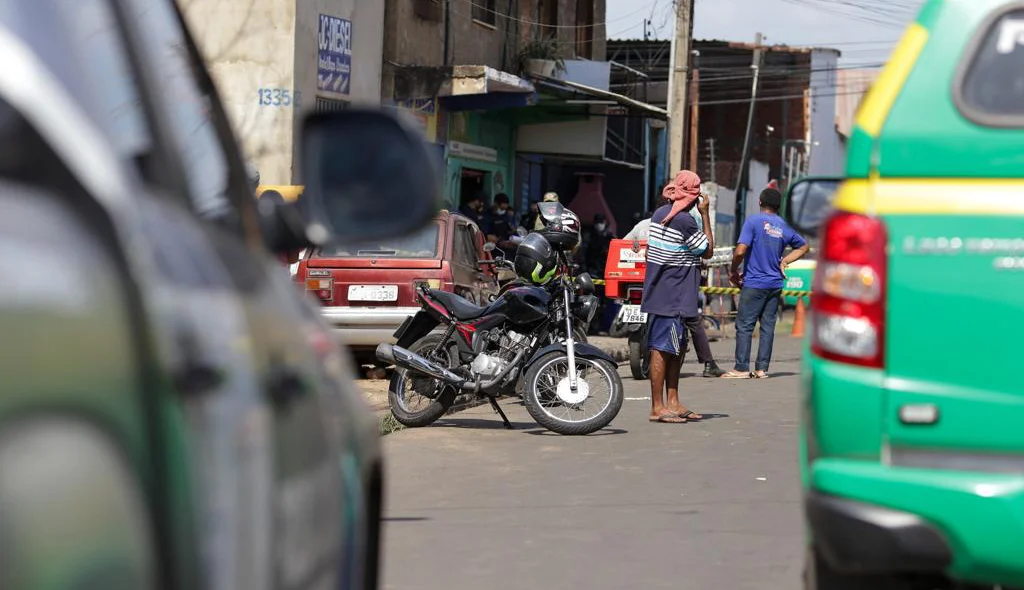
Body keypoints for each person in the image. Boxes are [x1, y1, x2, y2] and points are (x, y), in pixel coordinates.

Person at [641, 170, 714, 424]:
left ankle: (672, 400)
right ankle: (657, 406)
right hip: (671, 295)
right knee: (662, 349)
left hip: (671, 294)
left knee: (677, 348)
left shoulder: (661, 214)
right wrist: (705, 214)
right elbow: (707, 251)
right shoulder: (684, 220)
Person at [721, 187, 810, 379]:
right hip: (775, 284)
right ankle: (761, 369)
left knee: (744, 325)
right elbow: (804, 246)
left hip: (755, 283)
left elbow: (740, 251)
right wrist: (785, 261)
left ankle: (742, 368)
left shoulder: (753, 221)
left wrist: (734, 269)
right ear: (778, 206)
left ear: (760, 202)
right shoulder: (784, 226)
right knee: (767, 326)